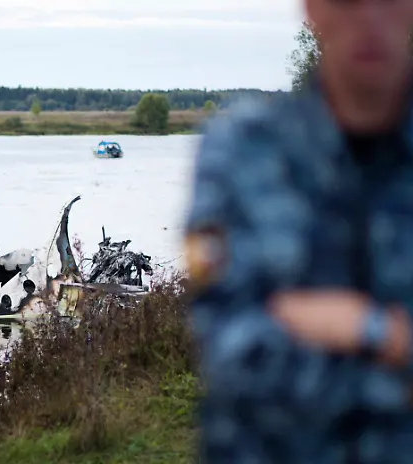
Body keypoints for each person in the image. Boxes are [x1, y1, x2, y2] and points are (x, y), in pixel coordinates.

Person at [184, 0, 413, 462]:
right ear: (312, 10)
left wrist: (333, 324)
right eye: (347, 1)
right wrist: (384, 335)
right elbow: (228, 350)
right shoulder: (241, 151)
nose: (369, 18)